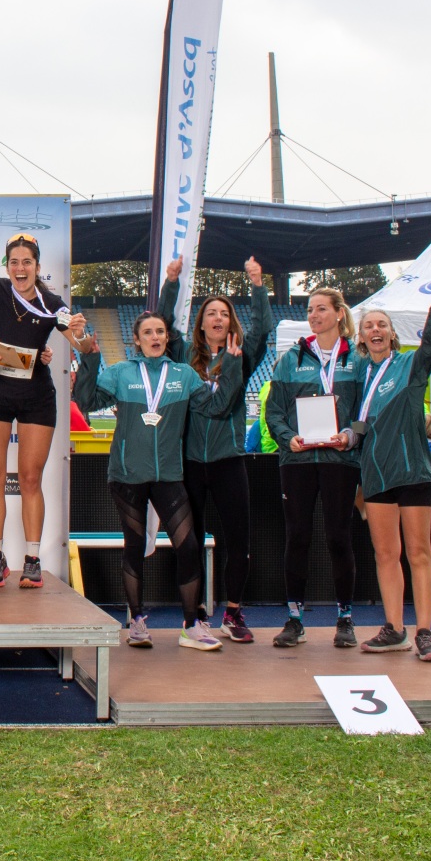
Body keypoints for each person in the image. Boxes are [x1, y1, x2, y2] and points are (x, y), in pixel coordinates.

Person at [72, 310, 246, 649]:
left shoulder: (183, 375)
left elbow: (218, 407)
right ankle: (136, 621)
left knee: (189, 545)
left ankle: (191, 625)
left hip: (168, 475)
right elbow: (87, 401)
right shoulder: (121, 372)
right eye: (148, 332)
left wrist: (233, 366)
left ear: (167, 338)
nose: (155, 337)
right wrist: (90, 359)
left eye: (160, 332)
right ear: (136, 340)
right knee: (135, 546)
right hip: (127, 476)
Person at [160, 256, 271, 642]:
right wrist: (171, 282)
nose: (218, 318)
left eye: (224, 313)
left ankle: (234, 613)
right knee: (190, 541)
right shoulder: (183, 358)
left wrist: (257, 285)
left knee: (237, 540)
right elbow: (162, 323)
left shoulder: (242, 356)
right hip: (190, 462)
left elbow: (263, 328)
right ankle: (195, 615)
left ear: (230, 322)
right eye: (211, 313)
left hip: (228, 461)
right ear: (202, 322)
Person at [350, 291, 431, 662]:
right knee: (385, 554)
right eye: (369, 326)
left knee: (419, 552)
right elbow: (359, 421)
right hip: (376, 474)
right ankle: (394, 628)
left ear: (392, 334)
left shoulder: (410, 364)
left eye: (382, 325)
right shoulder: (359, 376)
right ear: (361, 337)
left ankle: (425, 632)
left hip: (412, 471)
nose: (375, 330)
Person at [0, 234, 79, 589]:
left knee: (30, 479)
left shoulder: (53, 303)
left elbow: (79, 342)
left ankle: (32, 560)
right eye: (14, 262)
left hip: (36, 395)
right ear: (7, 266)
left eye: (27, 262)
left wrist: (81, 335)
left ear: (37, 266)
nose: (20, 268)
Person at [263, 286, 363, 650]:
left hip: (340, 461)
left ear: (339, 313)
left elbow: (366, 413)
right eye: (310, 310)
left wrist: (350, 435)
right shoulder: (290, 358)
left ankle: (345, 618)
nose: (314, 315)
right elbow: (274, 411)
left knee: (339, 537)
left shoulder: (358, 359)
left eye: (321, 309)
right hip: (298, 460)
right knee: (297, 537)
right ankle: (294, 619)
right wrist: (287, 437)